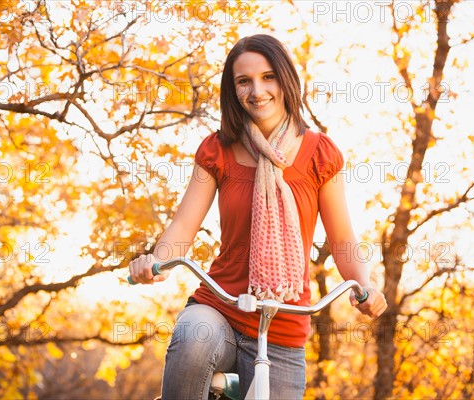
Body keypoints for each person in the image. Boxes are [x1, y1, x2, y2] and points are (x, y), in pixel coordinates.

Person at [128, 34, 387, 399]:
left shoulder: (320, 154)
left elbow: (343, 240)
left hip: (284, 324)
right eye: (243, 81)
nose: (257, 90)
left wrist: (366, 286)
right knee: (190, 341)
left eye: (268, 77)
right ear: (232, 89)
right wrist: (157, 261)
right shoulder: (217, 149)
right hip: (220, 307)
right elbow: (183, 226)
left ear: (285, 80)